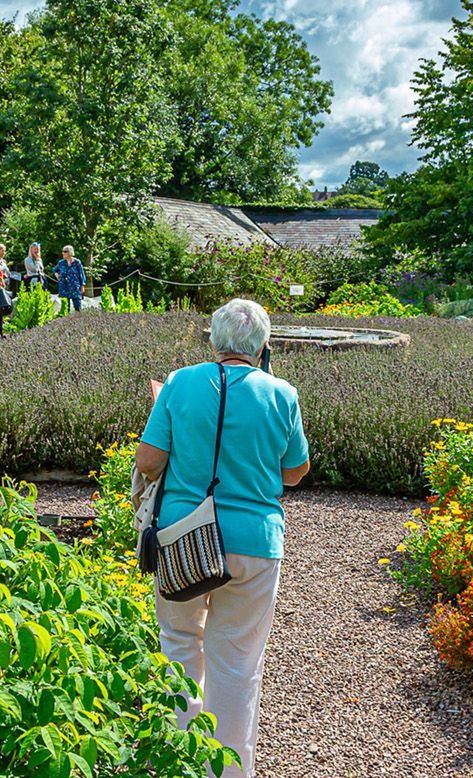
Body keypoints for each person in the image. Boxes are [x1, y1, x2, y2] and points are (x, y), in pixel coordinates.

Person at [132, 299, 310, 778]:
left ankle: (179, 761)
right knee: (237, 661)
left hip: (182, 536)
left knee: (179, 643)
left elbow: (149, 461)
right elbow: (294, 473)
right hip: (254, 542)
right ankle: (228, 772)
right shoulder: (282, 394)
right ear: (264, 346)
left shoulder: (179, 383)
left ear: (213, 340)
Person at [55, 245, 86, 312]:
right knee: (66, 308)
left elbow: (81, 274)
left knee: (78, 307)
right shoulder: (61, 263)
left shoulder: (77, 262)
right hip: (64, 287)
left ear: (70, 252)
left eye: (65, 251)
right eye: (63, 251)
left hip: (75, 287)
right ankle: (66, 321)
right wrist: (58, 276)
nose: (63, 253)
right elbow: (54, 270)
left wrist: (82, 285)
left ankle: (79, 321)